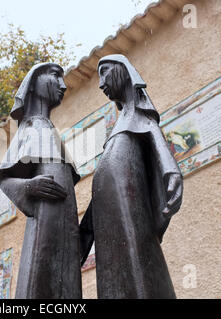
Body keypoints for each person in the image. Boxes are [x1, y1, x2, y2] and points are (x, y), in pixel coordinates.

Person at [80, 54, 183, 299]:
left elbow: (158, 143)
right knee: (113, 273)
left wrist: (171, 171)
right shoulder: (121, 122)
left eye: (105, 72)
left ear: (124, 71)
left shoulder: (141, 116)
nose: (101, 83)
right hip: (108, 213)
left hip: (130, 207)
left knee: (137, 266)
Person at [0, 62, 82, 299]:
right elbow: (5, 179)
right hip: (45, 228)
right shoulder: (32, 126)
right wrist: (29, 186)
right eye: (55, 76)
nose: (63, 86)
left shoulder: (49, 129)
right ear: (34, 84)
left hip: (65, 229)